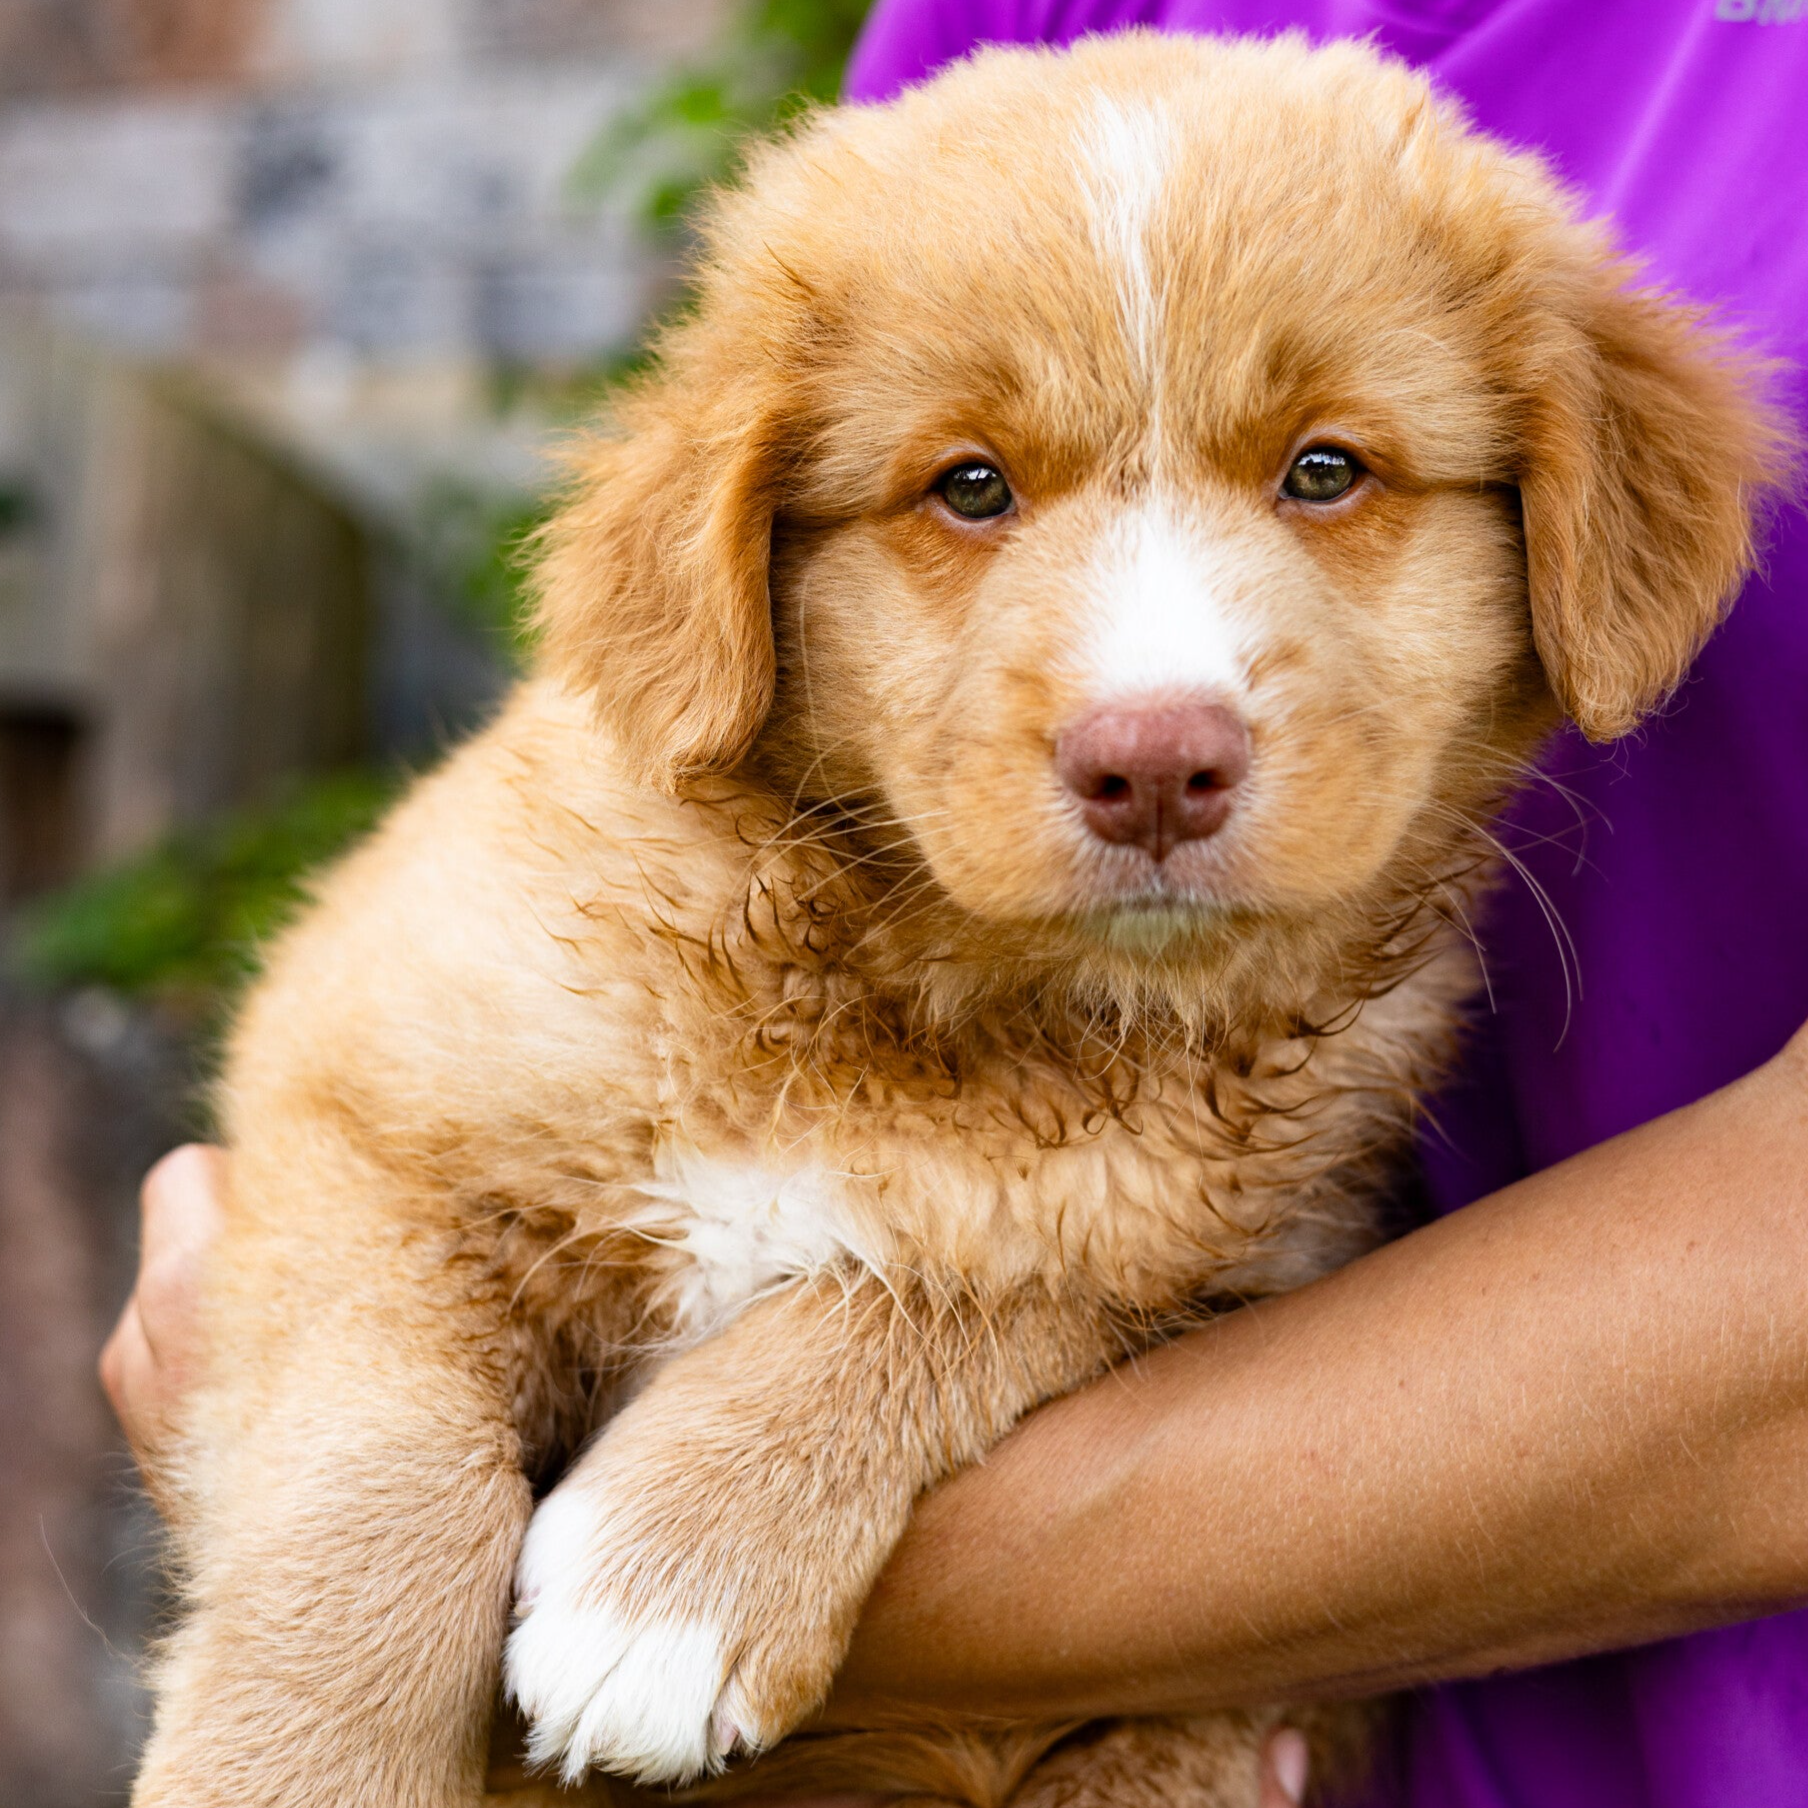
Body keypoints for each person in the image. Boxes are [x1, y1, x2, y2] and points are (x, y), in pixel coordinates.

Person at [105, 5, 1808, 1804]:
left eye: (1330, 473)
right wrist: (347, 1604)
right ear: (744, 545)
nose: (1152, 712)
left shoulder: (1328, 1045)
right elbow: (354, 1157)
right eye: (967, 489)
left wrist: (885, 1379)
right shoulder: (583, 913)